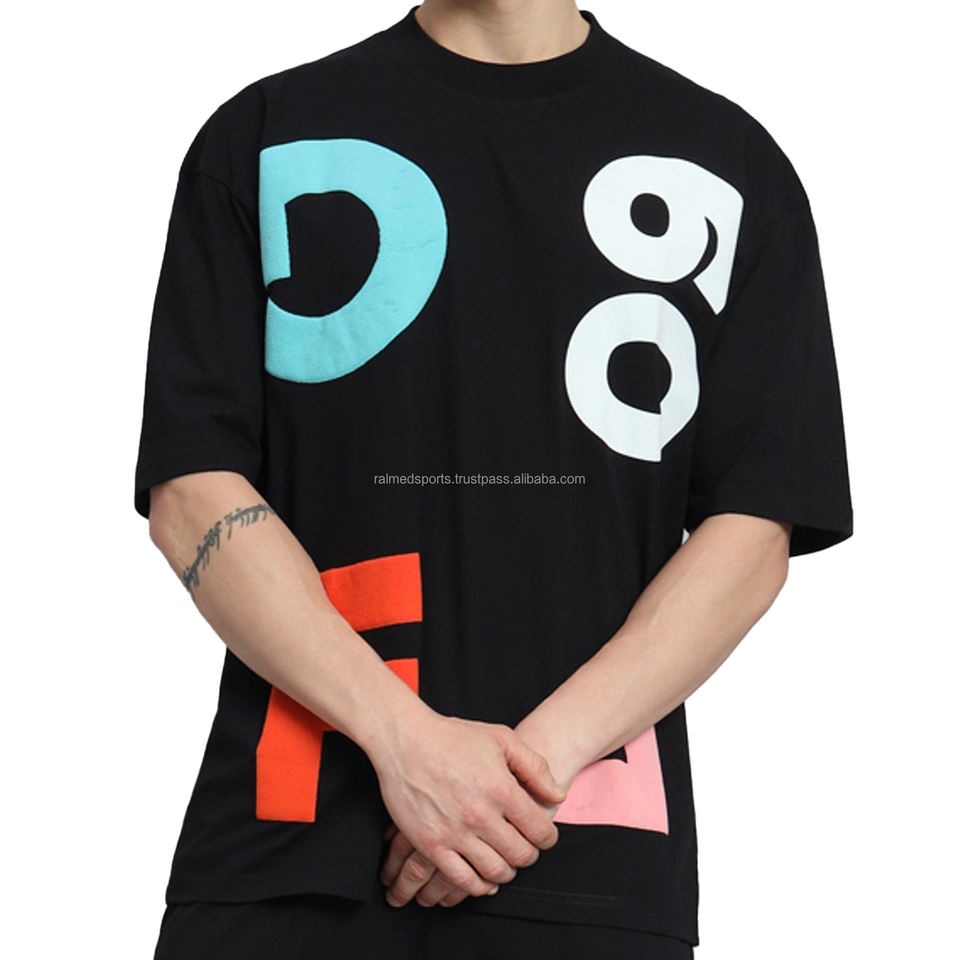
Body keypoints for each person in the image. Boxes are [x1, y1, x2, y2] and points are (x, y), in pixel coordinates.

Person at [133, 1, 854, 957]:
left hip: (588, 858)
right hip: (287, 854)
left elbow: (756, 528)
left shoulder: (728, 163)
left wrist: (511, 780)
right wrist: (403, 742)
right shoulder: (266, 136)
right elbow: (191, 492)